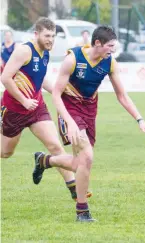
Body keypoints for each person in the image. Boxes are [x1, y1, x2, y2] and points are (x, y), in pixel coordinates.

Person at [33, 26, 145, 222]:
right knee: (88, 157)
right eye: (110, 46)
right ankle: (82, 211)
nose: (112, 50)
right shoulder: (73, 59)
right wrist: (70, 122)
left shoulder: (109, 62)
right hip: (70, 109)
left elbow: (122, 95)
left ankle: (44, 161)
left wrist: (140, 120)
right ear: (97, 43)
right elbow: (56, 93)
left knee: (79, 163)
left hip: (90, 111)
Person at [0, 17, 82, 200]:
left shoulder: (45, 52)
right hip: (14, 110)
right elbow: (5, 78)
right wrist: (23, 100)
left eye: (53, 36)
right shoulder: (24, 51)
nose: (50, 40)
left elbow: (40, 78)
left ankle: (75, 191)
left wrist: (59, 91)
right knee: (5, 152)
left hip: (37, 108)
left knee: (55, 146)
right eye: (47, 35)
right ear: (36, 34)